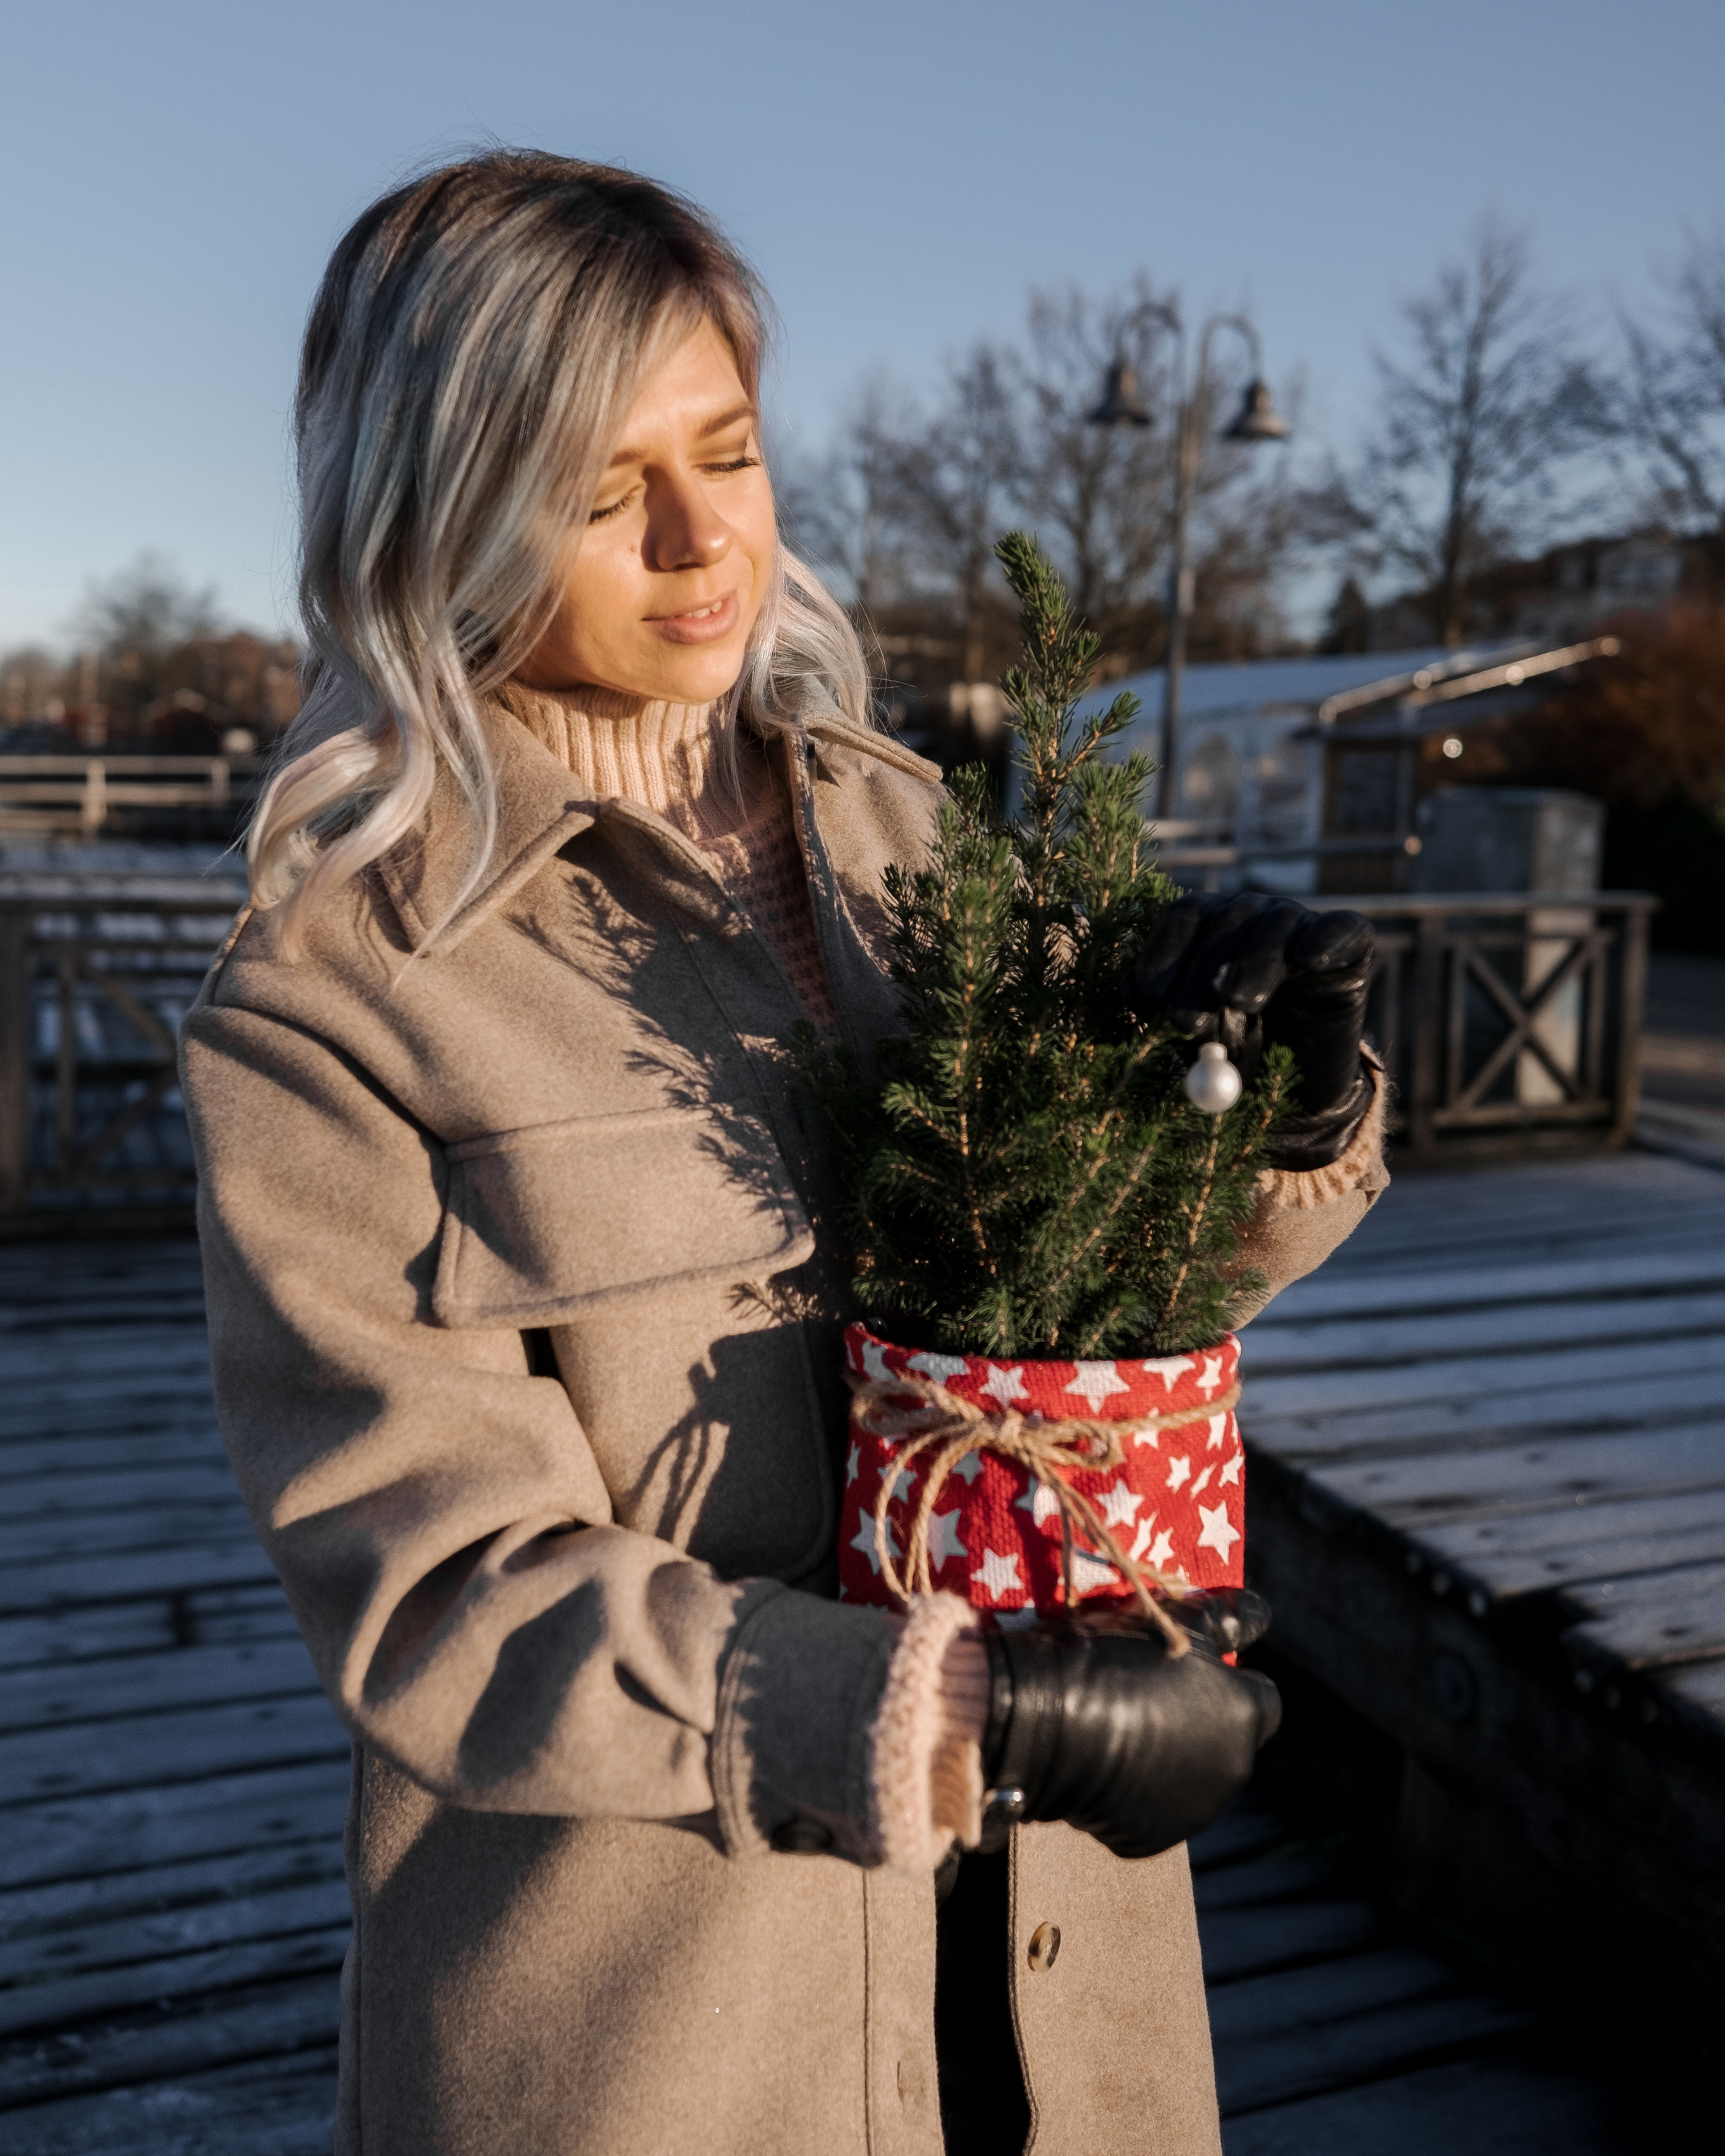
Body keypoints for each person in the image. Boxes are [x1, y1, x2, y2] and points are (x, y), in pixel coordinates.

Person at [181, 152, 1387, 2156]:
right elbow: (444, 1599)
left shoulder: (919, 846)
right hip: (665, 2035)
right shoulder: (344, 995)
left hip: (1066, 1983)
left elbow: (1106, 1292)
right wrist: (953, 1711)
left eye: (725, 451)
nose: (696, 538)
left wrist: (1274, 1104)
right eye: (594, 491)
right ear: (439, 523)